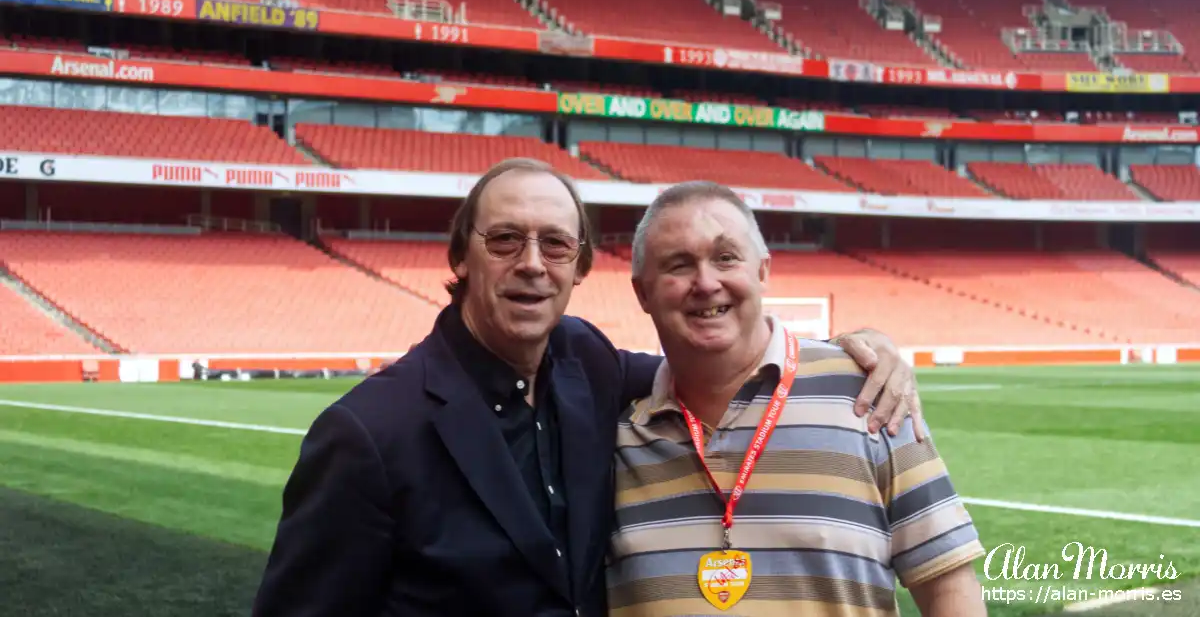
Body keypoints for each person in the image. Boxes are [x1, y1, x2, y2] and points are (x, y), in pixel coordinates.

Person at [251, 159, 926, 617]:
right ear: (460, 255)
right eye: (506, 240)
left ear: (579, 269)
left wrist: (854, 352)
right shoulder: (370, 433)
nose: (532, 265)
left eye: (555, 245)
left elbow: (707, 362)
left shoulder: (590, 364)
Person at [607, 180, 986, 617]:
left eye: (725, 257)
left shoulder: (869, 395)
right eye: (678, 265)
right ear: (642, 293)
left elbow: (948, 587)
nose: (706, 282)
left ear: (763, 271)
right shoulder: (614, 438)